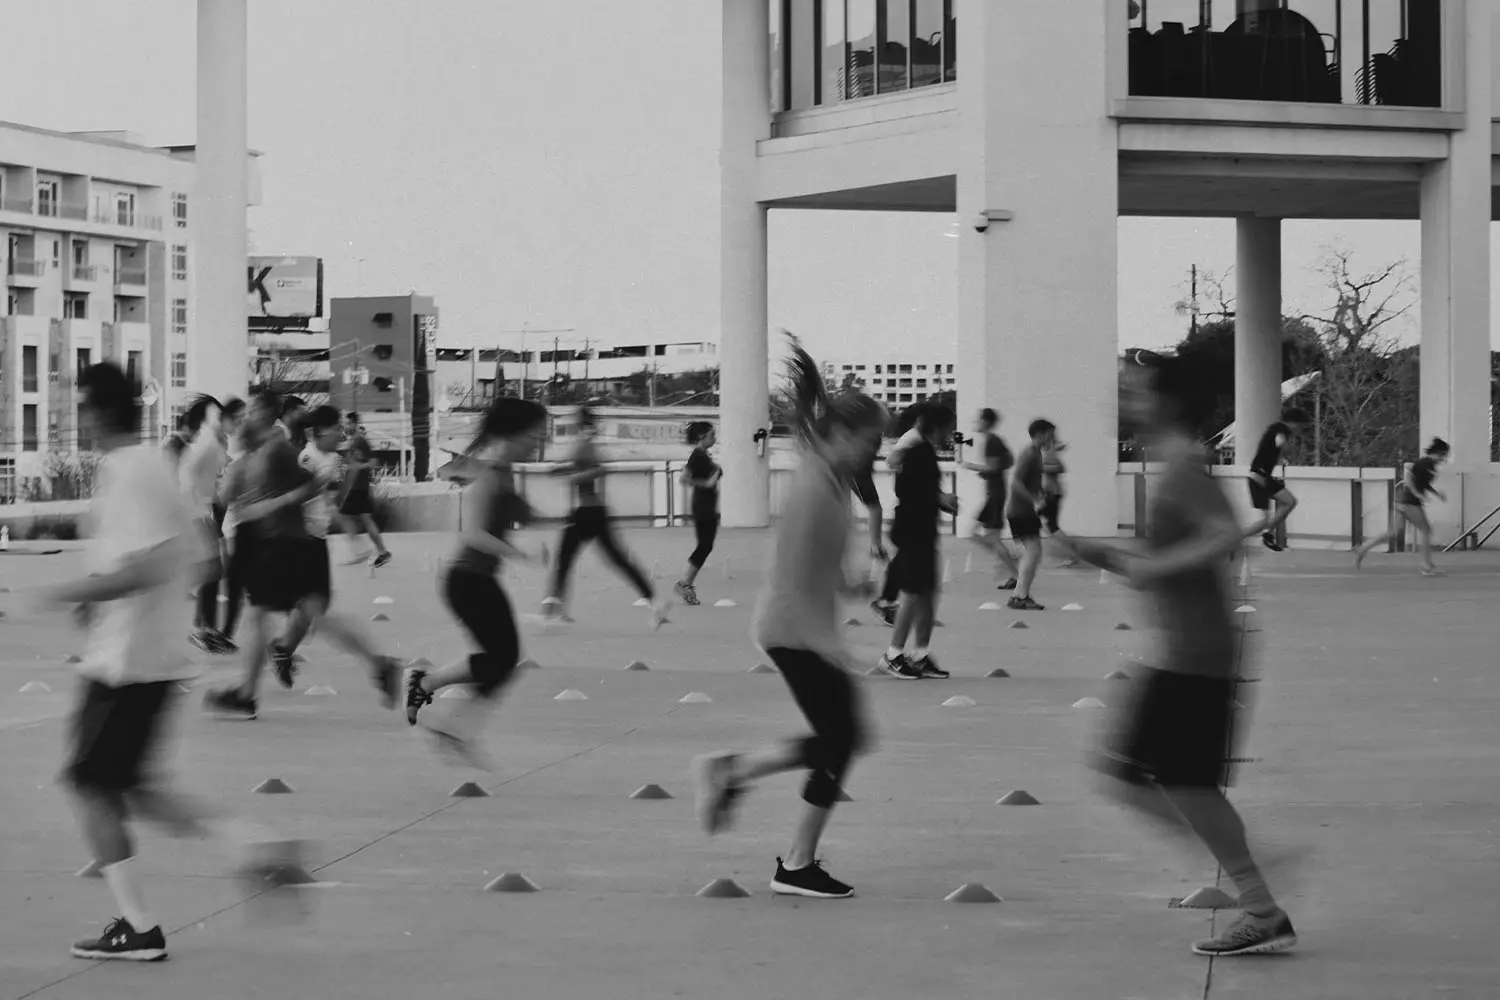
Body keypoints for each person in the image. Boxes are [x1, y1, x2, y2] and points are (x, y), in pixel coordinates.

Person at [30, 363, 292, 962]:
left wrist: (71, 593)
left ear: (97, 410)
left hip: (125, 662)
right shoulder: (151, 466)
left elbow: (146, 568)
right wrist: (123, 598)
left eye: (80, 405)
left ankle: (139, 926)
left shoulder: (128, 472)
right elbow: (199, 559)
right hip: (150, 655)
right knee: (134, 788)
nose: (76, 416)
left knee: (90, 786)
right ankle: (249, 847)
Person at [1059, 348, 1298, 958]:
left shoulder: (1185, 466)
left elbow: (1224, 537)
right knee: (1143, 780)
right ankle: (1259, 890)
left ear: (1166, 400)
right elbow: (1173, 555)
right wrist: (1100, 553)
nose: (1125, 397)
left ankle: (1261, 897)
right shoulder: (1170, 463)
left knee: (1175, 784)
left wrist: (1151, 567)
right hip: (1179, 650)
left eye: (1136, 388)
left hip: (1197, 653)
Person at [692, 339, 884, 899]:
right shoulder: (816, 490)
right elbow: (795, 572)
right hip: (795, 632)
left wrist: (853, 586)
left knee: (841, 740)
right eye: (871, 442)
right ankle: (788, 853)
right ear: (842, 435)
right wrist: (828, 644)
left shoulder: (828, 481)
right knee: (842, 739)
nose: (874, 454)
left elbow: (816, 566)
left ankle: (749, 793)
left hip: (800, 631)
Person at [204, 392, 397, 719]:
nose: (245, 418)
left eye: (252, 411)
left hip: (289, 545)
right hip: (290, 544)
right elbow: (231, 493)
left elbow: (311, 485)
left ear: (266, 415)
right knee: (311, 615)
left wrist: (272, 505)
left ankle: (247, 694)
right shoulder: (258, 454)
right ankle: (379, 665)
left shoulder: (278, 451)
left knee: (261, 615)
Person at [404, 397, 549, 767]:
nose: (539, 441)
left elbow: (516, 515)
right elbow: (473, 533)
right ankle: (447, 722)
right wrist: (520, 554)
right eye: (535, 434)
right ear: (513, 433)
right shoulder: (489, 474)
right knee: (503, 660)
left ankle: (431, 694)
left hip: (479, 579)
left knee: (502, 659)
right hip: (466, 582)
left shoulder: (505, 471)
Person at [543, 406, 669, 627]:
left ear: (579, 421)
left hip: (584, 512)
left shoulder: (583, 443)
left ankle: (554, 610)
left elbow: (599, 469)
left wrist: (573, 476)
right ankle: (655, 602)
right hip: (594, 511)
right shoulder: (587, 442)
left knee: (564, 559)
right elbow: (586, 467)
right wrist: (562, 470)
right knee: (616, 559)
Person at [878, 405, 958, 680]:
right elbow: (908, 491)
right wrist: (941, 499)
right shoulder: (917, 453)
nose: (951, 433)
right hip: (913, 532)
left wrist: (941, 501)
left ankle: (921, 655)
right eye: (949, 427)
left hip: (923, 531)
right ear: (936, 427)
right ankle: (892, 655)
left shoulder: (925, 452)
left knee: (927, 595)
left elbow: (921, 490)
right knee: (912, 594)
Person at [177, 395, 233, 654]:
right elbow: (187, 475)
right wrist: (195, 513)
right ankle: (203, 630)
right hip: (196, 513)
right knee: (213, 569)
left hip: (203, 511)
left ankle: (204, 628)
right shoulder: (206, 442)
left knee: (213, 570)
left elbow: (213, 476)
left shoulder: (216, 443)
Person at [1354, 437, 1450, 575]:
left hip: (1401, 502)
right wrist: (1418, 495)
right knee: (1426, 531)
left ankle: (1363, 549)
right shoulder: (1425, 463)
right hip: (1411, 504)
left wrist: (1436, 494)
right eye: (1443, 455)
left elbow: (1423, 483)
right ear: (1439, 452)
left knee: (1392, 532)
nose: (1444, 459)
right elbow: (1409, 479)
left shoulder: (1429, 465)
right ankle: (1426, 566)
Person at [963, 408, 1019, 590]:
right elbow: (1006, 462)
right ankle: (1007, 558)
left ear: (986, 422)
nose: (976, 423)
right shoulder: (994, 440)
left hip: (995, 494)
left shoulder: (992, 441)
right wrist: (988, 472)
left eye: (978, 420)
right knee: (973, 532)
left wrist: (969, 465)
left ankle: (1015, 572)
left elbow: (993, 467)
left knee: (991, 538)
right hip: (994, 493)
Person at [1005, 419, 1055, 611]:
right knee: (1033, 552)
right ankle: (1020, 597)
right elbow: (1016, 483)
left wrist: (1041, 494)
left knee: (1032, 553)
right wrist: (1035, 500)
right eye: (1050, 434)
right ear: (1040, 434)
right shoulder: (1029, 453)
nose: (1052, 438)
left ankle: (1018, 595)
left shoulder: (1036, 453)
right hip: (1020, 511)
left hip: (1024, 511)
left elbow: (1030, 482)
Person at [675, 421, 722, 606]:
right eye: (712, 435)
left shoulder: (703, 455)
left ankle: (686, 584)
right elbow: (684, 478)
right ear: (702, 436)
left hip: (707, 505)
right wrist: (707, 483)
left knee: (705, 546)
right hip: (703, 507)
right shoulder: (697, 455)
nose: (715, 438)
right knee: (704, 546)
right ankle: (684, 584)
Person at [336, 411, 391, 568]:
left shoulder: (361, 441)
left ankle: (361, 551)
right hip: (355, 486)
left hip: (358, 487)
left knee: (343, 516)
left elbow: (374, 462)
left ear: (354, 424)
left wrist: (357, 467)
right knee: (365, 519)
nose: (346, 426)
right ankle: (381, 552)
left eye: (348, 423)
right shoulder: (352, 442)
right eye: (345, 424)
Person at [1245, 420, 1301, 552]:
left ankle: (1267, 533)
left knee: (1290, 501)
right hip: (1258, 479)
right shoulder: (1279, 433)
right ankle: (1234, 538)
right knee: (1263, 521)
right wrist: (1288, 444)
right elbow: (1280, 441)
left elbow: (1279, 450)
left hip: (1265, 478)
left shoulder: (1272, 445)